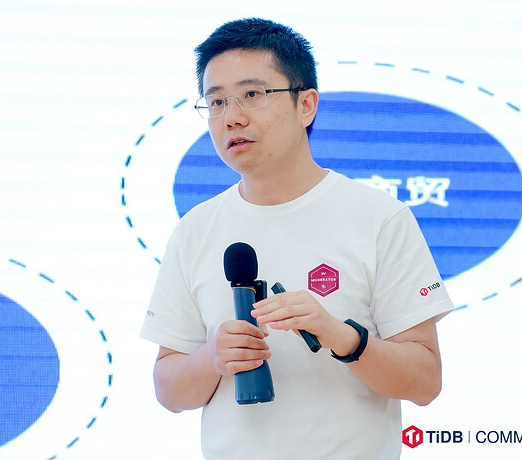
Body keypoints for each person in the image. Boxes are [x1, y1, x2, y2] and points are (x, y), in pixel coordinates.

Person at [140, 17, 453, 459]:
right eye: (217, 102)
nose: (232, 118)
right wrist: (211, 357)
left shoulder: (379, 217)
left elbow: (424, 382)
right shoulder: (195, 230)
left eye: (252, 94)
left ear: (306, 105)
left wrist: (342, 336)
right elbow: (169, 391)